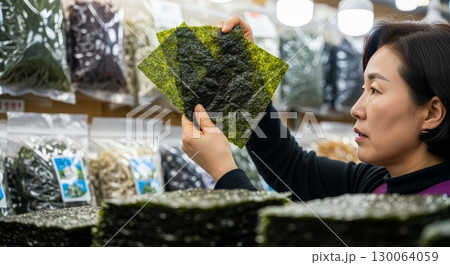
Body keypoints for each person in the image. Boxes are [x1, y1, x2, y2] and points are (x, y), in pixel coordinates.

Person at [181, 16, 450, 200]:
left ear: (432, 113)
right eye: (362, 90)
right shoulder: (377, 182)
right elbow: (292, 168)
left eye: (375, 90)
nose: (356, 109)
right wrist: (246, 82)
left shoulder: (434, 221)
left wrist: (225, 173)